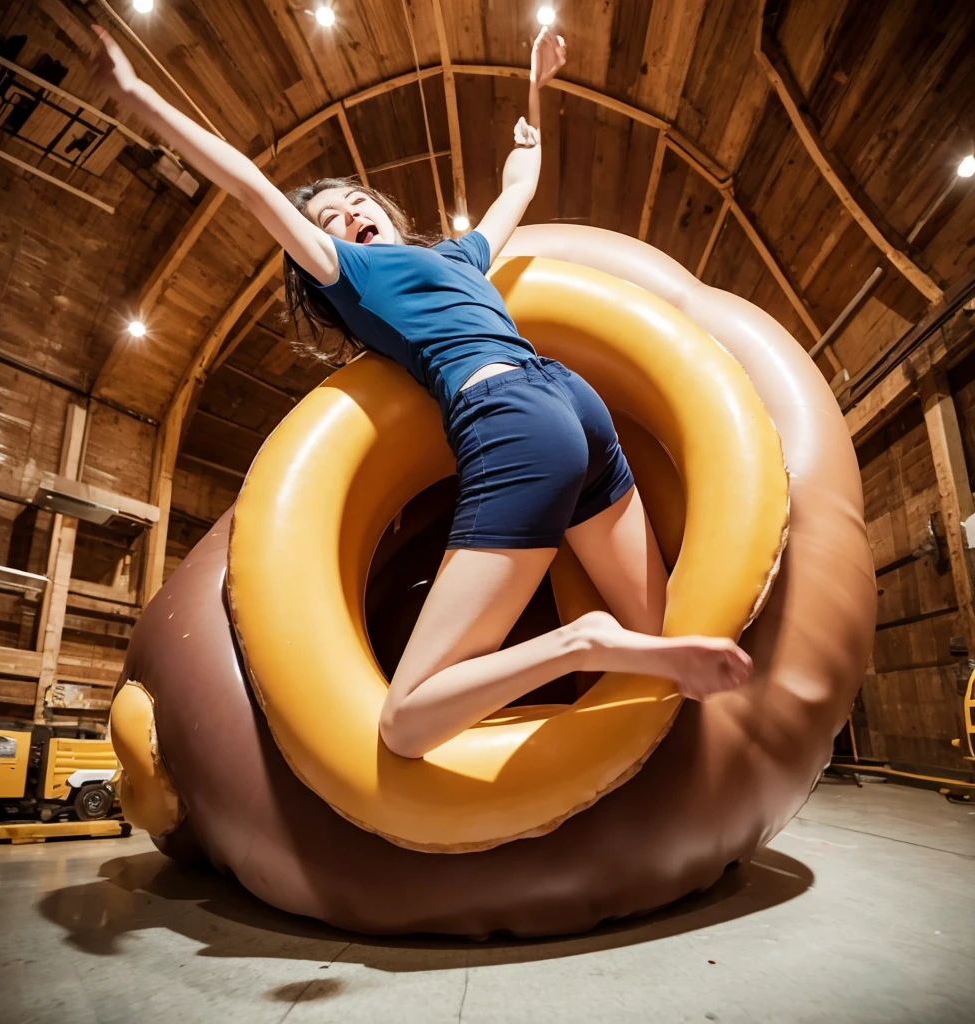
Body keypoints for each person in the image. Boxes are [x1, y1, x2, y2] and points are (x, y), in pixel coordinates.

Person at [93, 25, 752, 760]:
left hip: (517, 419)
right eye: (329, 220)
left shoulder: (456, 256)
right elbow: (252, 186)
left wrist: (535, 81)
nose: (347, 217)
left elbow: (517, 185)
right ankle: (613, 656)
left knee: (404, 723)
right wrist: (141, 97)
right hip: (570, 405)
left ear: (383, 210)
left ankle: (578, 643)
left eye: (354, 203)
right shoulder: (349, 270)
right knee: (659, 639)